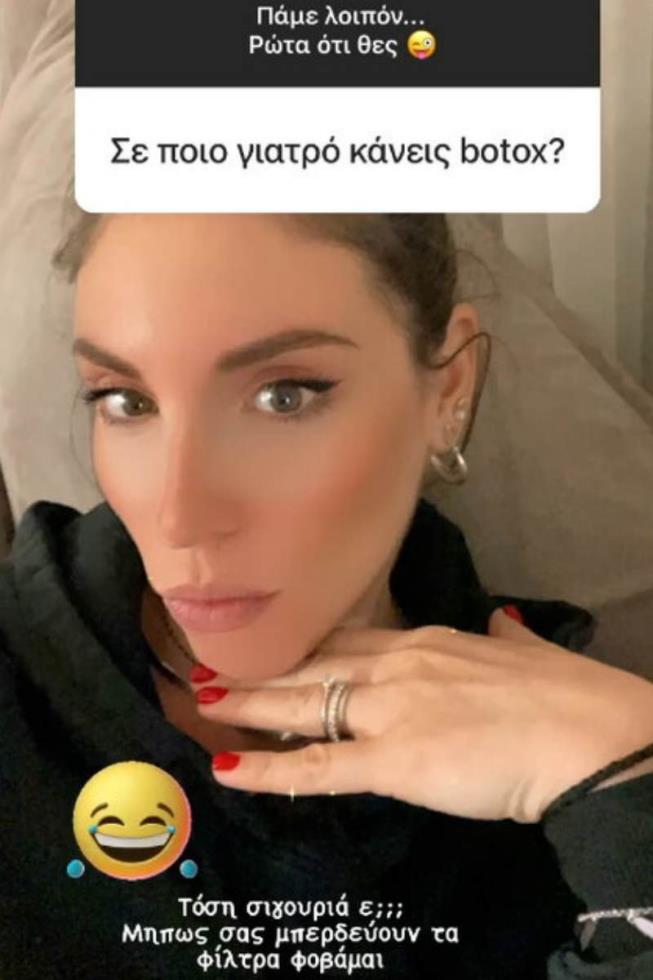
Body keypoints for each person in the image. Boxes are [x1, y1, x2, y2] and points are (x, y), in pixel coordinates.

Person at [1, 212, 652, 980]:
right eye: (125, 401)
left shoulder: (574, 751)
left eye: (282, 397)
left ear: (448, 388)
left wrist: (627, 798)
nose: (178, 517)